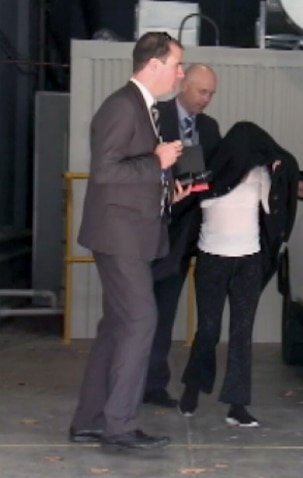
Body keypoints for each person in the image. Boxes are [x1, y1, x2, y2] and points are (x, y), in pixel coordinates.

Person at [68, 31, 189, 450]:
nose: (181, 73)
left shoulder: (145, 108)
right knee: (141, 321)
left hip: (130, 233)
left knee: (117, 327)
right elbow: (105, 171)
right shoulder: (122, 107)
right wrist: (157, 161)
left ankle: (89, 420)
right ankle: (118, 426)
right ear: (153, 64)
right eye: (177, 64)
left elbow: (128, 172)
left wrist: (166, 190)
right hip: (119, 235)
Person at [177, 121, 301, 427]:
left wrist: (286, 176)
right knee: (208, 329)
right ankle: (193, 387)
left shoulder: (261, 174)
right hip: (212, 259)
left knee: (242, 334)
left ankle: (237, 405)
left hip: (249, 261)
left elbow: (278, 199)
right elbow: (187, 198)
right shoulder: (206, 169)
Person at [143, 64, 222, 408]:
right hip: (145, 231)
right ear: (184, 85)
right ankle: (122, 384)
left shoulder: (208, 128)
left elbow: (216, 174)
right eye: (202, 91)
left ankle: (153, 385)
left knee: (165, 313)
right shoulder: (154, 117)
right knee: (134, 313)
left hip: (183, 237)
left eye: (211, 94)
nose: (206, 99)